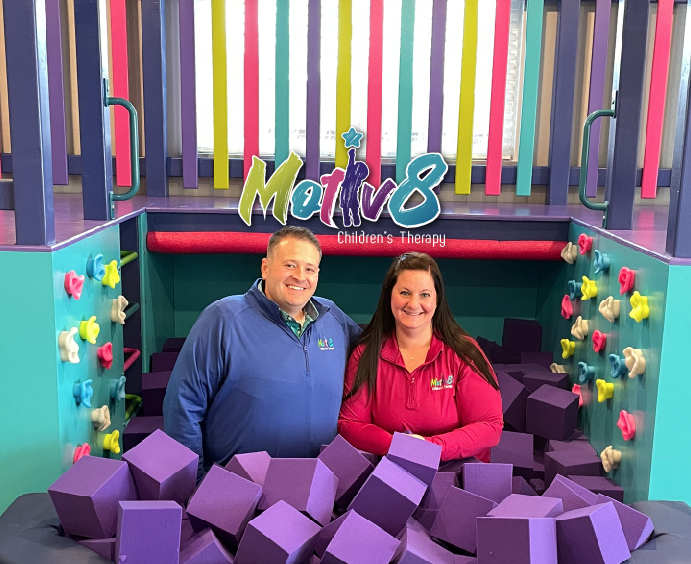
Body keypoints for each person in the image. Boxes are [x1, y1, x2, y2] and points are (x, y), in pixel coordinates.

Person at [164, 226, 361, 479]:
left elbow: (378, 360)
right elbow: (182, 406)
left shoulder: (333, 317)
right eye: (290, 265)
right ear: (265, 267)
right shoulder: (223, 318)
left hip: (317, 491)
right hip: (239, 496)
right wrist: (196, 485)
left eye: (310, 269)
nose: (300, 276)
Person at [338, 252, 503, 462]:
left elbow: (489, 427)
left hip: (455, 477)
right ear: (390, 295)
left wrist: (428, 448)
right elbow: (350, 423)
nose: (414, 304)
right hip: (389, 474)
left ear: (437, 299)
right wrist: (398, 447)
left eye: (424, 294)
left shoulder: (464, 353)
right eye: (405, 293)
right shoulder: (366, 354)